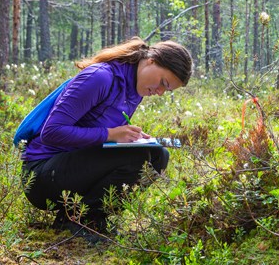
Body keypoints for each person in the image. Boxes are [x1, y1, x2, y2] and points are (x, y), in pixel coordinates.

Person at [21, 37, 193, 244]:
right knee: (137, 158)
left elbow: (98, 135)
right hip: (40, 175)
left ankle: (93, 219)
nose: (159, 92)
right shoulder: (101, 77)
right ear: (151, 61)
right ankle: (76, 221)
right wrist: (110, 134)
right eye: (163, 83)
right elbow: (51, 131)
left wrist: (130, 137)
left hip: (71, 168)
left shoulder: (134, 89)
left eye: (167, 90)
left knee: (158, 155)